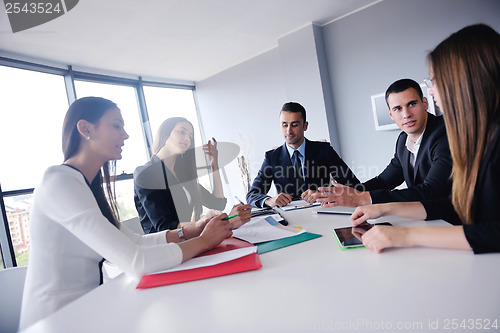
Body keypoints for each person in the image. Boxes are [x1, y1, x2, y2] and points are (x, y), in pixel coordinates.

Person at [19, 97, 236, 330]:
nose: (126, 135)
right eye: (116, 126)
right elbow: (136, 262)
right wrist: (204, 241)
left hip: (89, 311)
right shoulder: (59, 182)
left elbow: (135, 242)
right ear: (85, 128)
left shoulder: (86, 186)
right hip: (55, 321)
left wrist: (191, 230)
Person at [350, 24, 500, 254]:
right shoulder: (480, 137)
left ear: (465, 80)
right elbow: (456, 204)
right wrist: (383, 207)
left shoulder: (450, 135)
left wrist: (407, 234)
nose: (431, 90)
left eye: (435, 80)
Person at [314, 79, 452, 207]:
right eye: (398, 108)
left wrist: (364, 198)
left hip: (452, 222)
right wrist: (345, 193)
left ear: (425, 104)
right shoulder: (403, 140)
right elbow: (384, 181)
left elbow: (432, 190)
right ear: (391, 115)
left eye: (412, 104)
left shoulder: (444, 133)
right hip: (424, 217)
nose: (406, 114)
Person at [134, 117, 251, 233]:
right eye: (182, 131)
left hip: (188, 240)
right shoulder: (145, 173)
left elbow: (217, 203)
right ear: (165, 133)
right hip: (165, 247)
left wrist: (214, 164)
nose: (187, 139)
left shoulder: (182, 175)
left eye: (190, 136)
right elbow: (164, 227)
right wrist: (209, 222)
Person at [246, 102, 359, 208]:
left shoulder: (324, 150)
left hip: (323, 211)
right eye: (284, 125)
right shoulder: (271, 158)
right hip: (290, 220)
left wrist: (322, 193)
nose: (288, 131)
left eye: (294, 125)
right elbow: (252, 195)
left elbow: (352, 184)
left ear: (305, 126)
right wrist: (269, 200)